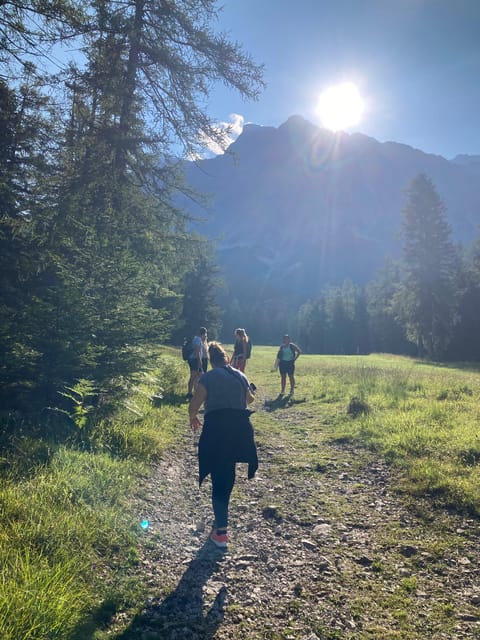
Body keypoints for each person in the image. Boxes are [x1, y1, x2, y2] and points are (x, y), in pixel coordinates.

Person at [189, 341, 258, 549]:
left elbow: (195, 404)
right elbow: (250, 400)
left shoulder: (208, 377)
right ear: (226, 357)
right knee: (227, 473)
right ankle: (221, 521)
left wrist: (193, 417)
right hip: (239, 430)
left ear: (211, 359)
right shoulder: (240, 375)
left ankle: (220, 532)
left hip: (217, 430)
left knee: (218, 477)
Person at [187, 327, 208, 399]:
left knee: (197, 376)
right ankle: (189, 393)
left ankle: (195, 393)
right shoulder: (198, 339)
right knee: (193, 376)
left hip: (193, 359)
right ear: (203, 333)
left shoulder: (195, 338)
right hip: (195, 360)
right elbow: (197, 351)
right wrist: (200, 362)